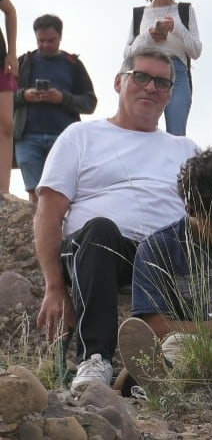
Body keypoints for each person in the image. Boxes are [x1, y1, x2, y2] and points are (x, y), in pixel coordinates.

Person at [34, 51, 198, 391]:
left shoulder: (185, 148)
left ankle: (166, 367)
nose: (151, 87)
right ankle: (96, 360)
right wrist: (54, 287)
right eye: (141, 77)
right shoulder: (80, 136)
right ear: (119, 82)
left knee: (201, 247)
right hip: (103, 249)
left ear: (170, 94)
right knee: (100, 229)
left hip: (168, 255)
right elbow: (49, 213)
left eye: (162, 82)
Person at [123, 147, 212, 387]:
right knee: (175, 345)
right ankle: (163, 381)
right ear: (191, 210)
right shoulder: (158, 248)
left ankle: (162, 382)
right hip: (199, 347)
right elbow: (156, 328)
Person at [13, 15, 97, 203]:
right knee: (35, 194)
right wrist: (24, 96)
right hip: (27, 137)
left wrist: (62, 98)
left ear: (60, 37)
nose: (45, 45)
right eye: (40, 40)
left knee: (61, 192)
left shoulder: (73, 64)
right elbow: (5, 99)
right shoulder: (24, 62)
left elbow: (90, 102)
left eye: (50, 40)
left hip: (64, 138)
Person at [125, 0, 202, 136]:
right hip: (145, 74)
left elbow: (196, 51)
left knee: (176, 132)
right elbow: (127, 53)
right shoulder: (140, 14)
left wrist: (176, 27)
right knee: (142, 130)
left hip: (177, 73)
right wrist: (148, 36)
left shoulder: (184, 10)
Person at [0, 0, 17, 196]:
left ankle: (3, 190)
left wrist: (12, 52)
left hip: (0, 62)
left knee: (6, 123)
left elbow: (10, 10)